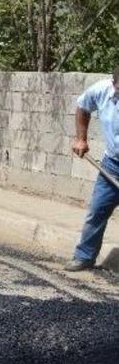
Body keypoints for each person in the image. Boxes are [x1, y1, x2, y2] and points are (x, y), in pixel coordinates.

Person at [67, 65, 119, 271]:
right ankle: (84, 256)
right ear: (114, 83)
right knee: (97, 211)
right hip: (112, 165)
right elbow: (83, 106)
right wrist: (81, 139)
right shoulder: (102, 90)